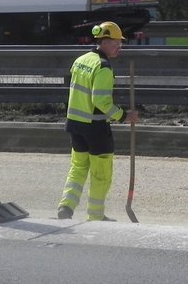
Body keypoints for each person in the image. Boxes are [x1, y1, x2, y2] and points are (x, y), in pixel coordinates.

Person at [56, 21, 138, 221]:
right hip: (96, 129)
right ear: (106, 41)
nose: (120, 46)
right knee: (101, 174)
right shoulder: (103, 67)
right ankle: (96, 216)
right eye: (117, 42)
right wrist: (123, 115)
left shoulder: (81, 60)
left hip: (75, 125)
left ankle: (66, 206)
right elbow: (100, 100)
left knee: (78, 167)